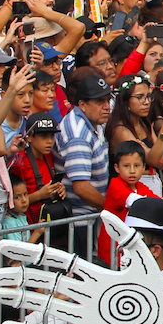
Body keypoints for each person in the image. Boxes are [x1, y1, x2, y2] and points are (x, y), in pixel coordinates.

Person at [54, 73, 113, 258]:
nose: (106, 107)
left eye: (107, 100)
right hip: (80, 220)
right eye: (99, 101)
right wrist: (111, 209)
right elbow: (81, 187)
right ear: (82, 104)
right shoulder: (78, 134)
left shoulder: (94, 122)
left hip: (93, 215)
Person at [8, 112, 65, 225]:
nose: (49, 141)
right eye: (43, 136)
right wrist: (40, 195)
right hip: (29, 226)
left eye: (52, 136)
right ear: (29, 137)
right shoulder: (20, 163)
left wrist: (59, 189)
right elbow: (13, 202)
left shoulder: (48, 156)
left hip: (48, 222)